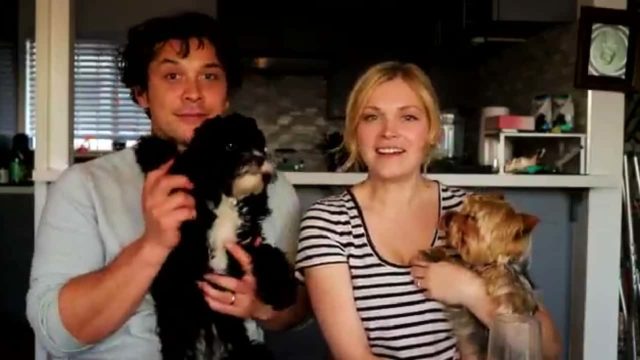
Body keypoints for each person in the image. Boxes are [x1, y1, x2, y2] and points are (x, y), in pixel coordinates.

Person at [26, 12, 309, 359]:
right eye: (173, 75)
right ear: (142, 93)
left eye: (209, 75)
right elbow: (57, 334)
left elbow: (298, 311)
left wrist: (262, 307)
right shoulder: (83, 187)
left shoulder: (273, 188)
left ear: (226, 94)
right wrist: (151, 245)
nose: (193, 93)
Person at [295, 61, 562, 360]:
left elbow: (546, 349)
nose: (389, 132)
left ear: (432, 131)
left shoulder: (470, 214)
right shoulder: (328, 223)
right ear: (355, 132)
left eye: (408, 117)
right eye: (371, 117)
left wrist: (471, 292)